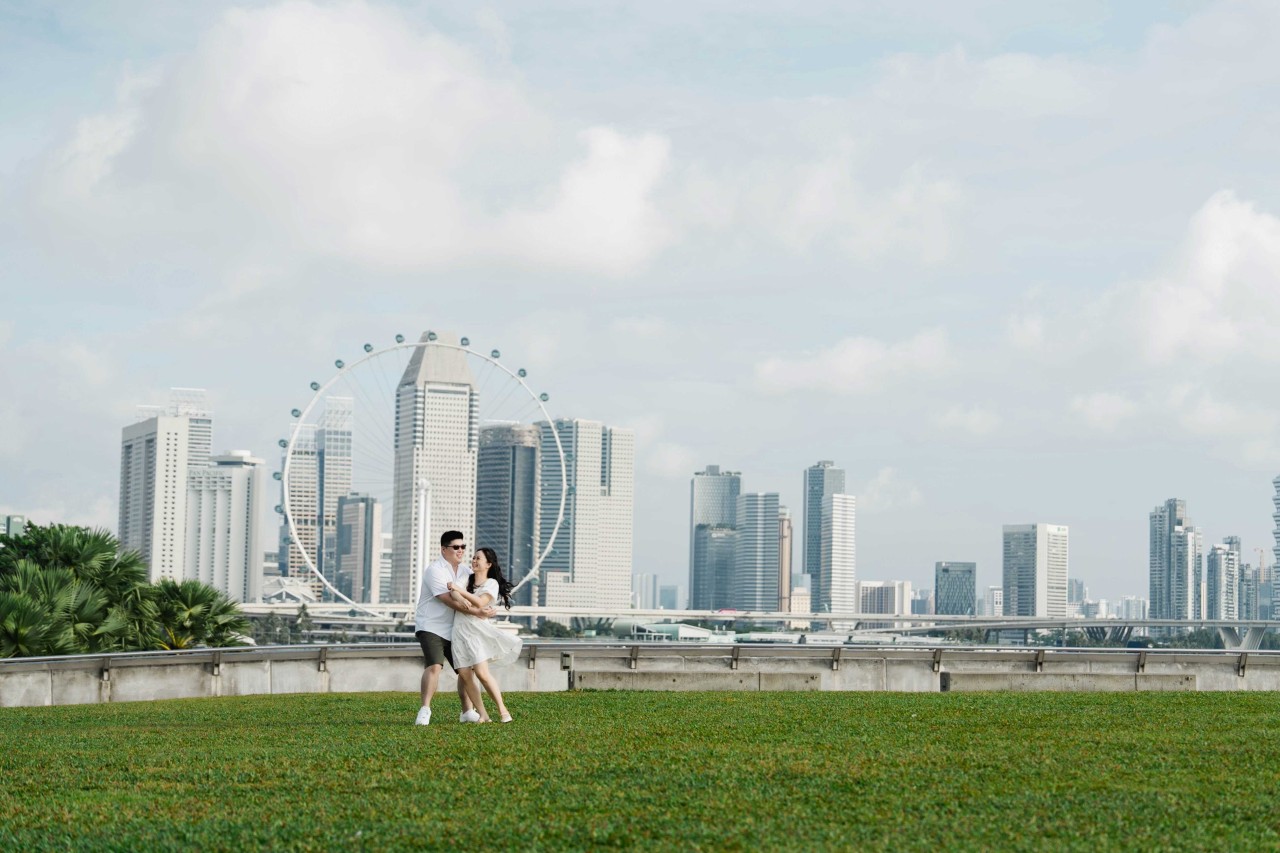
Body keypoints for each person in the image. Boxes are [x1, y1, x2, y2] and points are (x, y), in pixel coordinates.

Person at [413, 530, 494, 726]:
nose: (461, 550)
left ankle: (467, 712)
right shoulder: (435, 570)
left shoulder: (466, 572)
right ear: (443, 549)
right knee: (435, 665)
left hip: (456, 628)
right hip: (431, 625)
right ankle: (425, 710)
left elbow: (477, 593)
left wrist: (487, 604)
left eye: (463, 547)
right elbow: (448, 600)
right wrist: (478, 612)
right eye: (456, 547)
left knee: (466, 670)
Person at [446, 547, 522, 723]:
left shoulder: (491, 583)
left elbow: (480, 602)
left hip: (477, 632)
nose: (474, 561)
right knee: (465, 675)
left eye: (478, 558)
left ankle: (503, 710)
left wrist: (460, 592)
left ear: (488, 564)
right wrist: (461, 597)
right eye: (473, 558)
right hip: (459, 631)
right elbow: (453, 592)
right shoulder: (467, 578)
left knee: (482, 673)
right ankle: (483, 714)